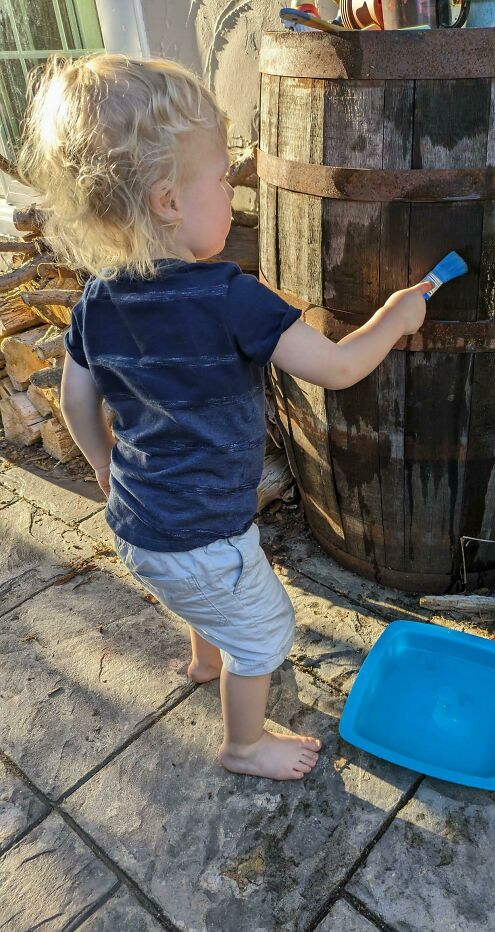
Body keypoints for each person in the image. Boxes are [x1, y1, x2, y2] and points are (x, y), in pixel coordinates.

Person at [19, 54, 427, 781]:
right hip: (206, 537)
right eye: (222, 178)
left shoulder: (97, 301)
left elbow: (77, 402)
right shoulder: (234, 300)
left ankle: (204, 658)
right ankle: (243, 745)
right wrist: (395, 317)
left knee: (203, 597)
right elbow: (337, 369)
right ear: (169, 199)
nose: (231, 192)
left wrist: (105, 465)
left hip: (138, 528)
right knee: (267, 635)